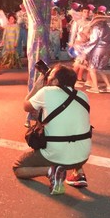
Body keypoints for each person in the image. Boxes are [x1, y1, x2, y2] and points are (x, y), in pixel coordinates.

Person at [13, 64, 92, 194]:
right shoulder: (83, 96)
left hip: (56, 154)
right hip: (83, 155)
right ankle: (78, 172)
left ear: (55, 81)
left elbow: (26, 106)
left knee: (18, 167)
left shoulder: (47, 92)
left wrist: (37, 87)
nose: (47, 77)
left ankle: (52, 171)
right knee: (73, 128)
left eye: (50, 75)